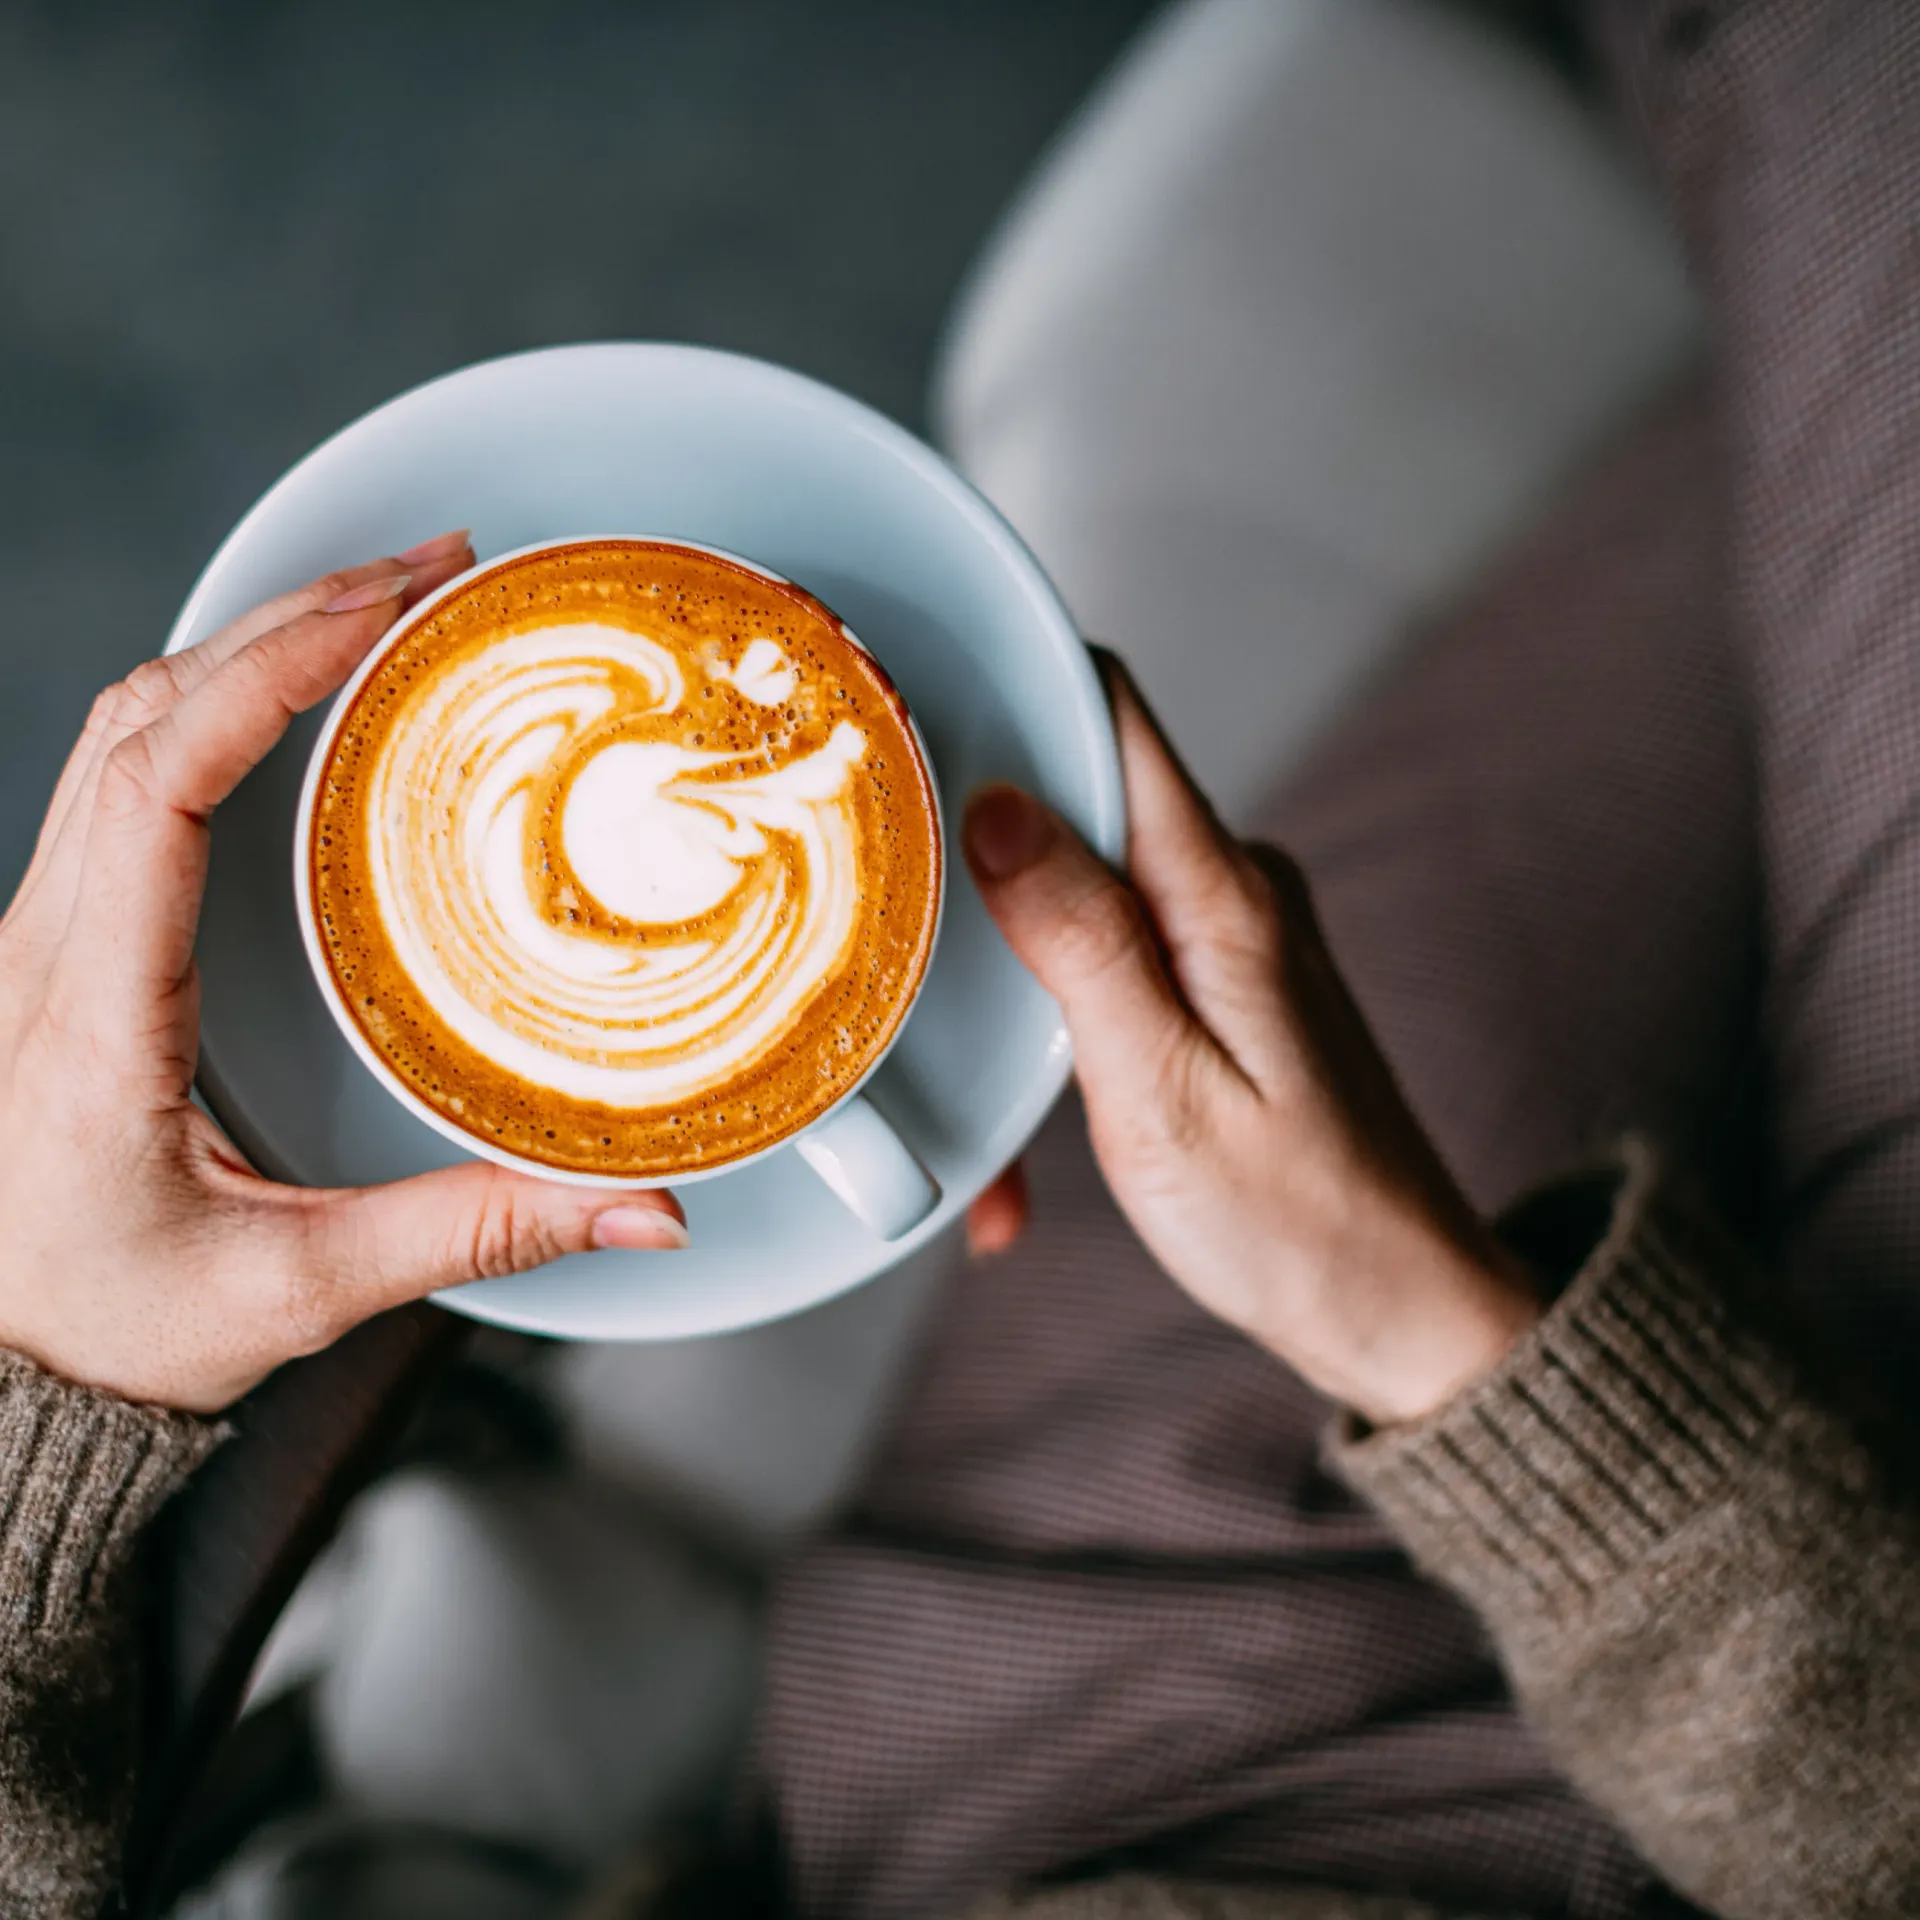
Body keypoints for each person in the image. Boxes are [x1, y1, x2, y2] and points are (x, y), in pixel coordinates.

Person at [3, 538, 1919, 1920]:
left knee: (1659, 582)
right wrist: (1455, 1352)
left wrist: (39, 1397)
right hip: (1705, 1753)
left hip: (959, 1722)